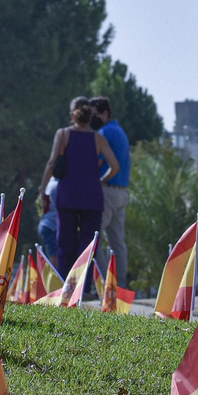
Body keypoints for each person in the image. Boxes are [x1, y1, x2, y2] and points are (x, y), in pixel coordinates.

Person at [39, 97, 120, 276]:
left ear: (73, 116)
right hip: (92, 196)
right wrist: (100, 181)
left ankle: (65, 285)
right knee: (88, 244)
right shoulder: (98, 139)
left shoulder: (63, 134)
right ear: (90, 117)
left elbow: (52, 162)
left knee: (65, 242)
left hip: (67, 194)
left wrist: (42, 188)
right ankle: (84, 288)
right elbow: (115, 166)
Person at [89, 96, 130, 277]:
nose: (92, 118)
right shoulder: (119, 131)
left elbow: (96, 163)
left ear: (105, 113)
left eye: (95, 114)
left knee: (93, 238)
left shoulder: (105, 132)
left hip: (107, 191)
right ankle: (119, 285)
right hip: (121, 193)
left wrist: (97, 182)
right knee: (117, 243)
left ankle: (105, 283)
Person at [37, 177, 60, 265]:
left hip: (45, 224)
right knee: (55, 260)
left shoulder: (50, 182)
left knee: (53, 257)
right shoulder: (58, 184)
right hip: (52, 226)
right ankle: (56, 278)